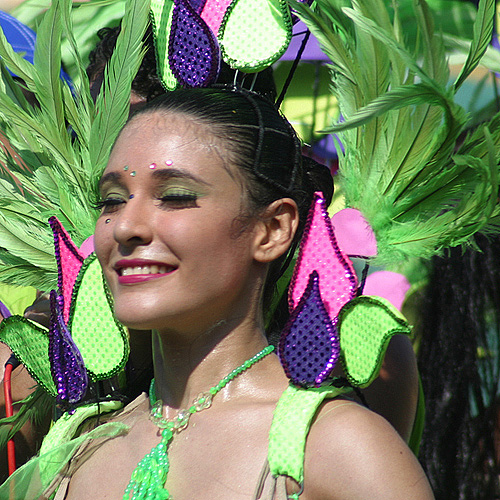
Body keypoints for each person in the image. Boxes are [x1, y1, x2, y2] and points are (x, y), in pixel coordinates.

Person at [16, 86, 432, 500]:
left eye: (174, 196)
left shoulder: (336, 447)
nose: (126, 227)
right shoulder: (75, 449)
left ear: (272, 230)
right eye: (111, 201)